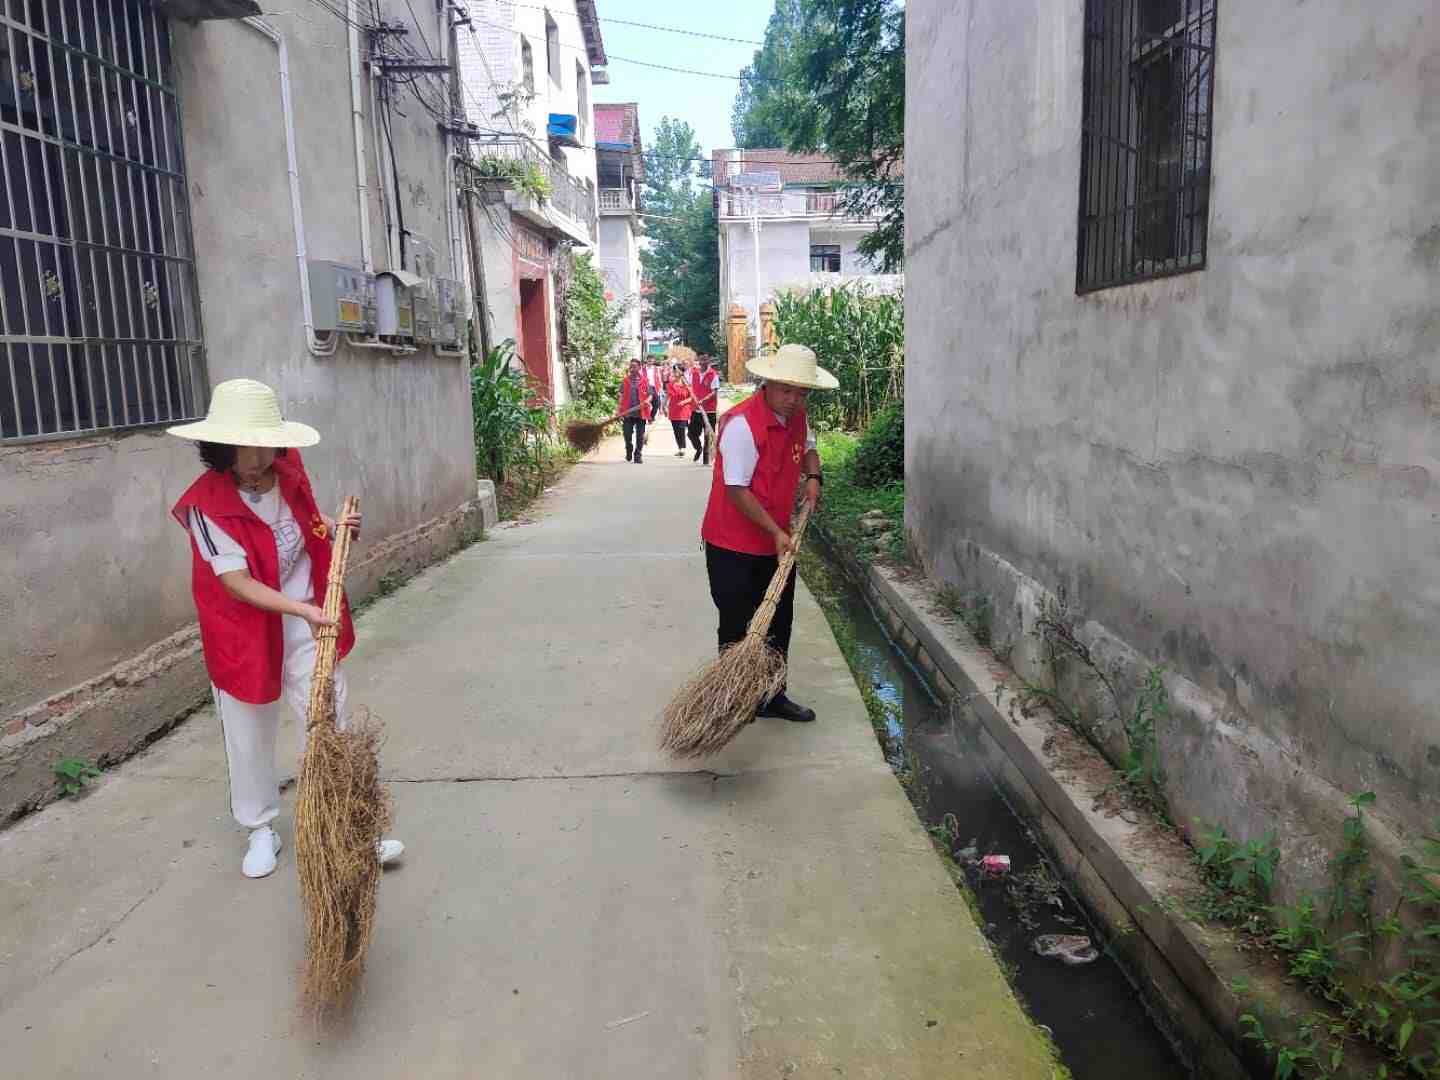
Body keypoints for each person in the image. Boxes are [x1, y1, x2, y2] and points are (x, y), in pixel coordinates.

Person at [167, 379, 405, 879]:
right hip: (243, 629)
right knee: (248, 731)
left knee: (328, 716)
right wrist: (300, 610)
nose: (259, 459)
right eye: (246, 447)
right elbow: (236, 582)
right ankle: (260, 829)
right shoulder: (205, 505)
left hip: (306, 618)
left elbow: (305, 523)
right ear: (221, 447)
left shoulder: (289, 470)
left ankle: (348, 828)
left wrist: (335, 529)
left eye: (265, 445)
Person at [700, 344, 837, 723]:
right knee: (737, 622)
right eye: (786, 390)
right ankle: (733, 700)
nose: (794, 400)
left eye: (802, 392)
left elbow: (809, 447)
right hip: (732, 544)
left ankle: (772, 696)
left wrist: (813, 476)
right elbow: (736, 490)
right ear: (768, 384)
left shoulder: (797, 416)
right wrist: (776, 531)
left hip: (777, 541)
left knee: (779, 621)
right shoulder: (742, 425)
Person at [617, 357, 653, 463]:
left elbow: (650, 395)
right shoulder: (625, 380)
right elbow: (621, 395)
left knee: (640, 436)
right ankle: (629, 449)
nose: (632, 369)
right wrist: (618, 409)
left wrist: (647, 401)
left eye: (634, 367)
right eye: (631, 366)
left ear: (639, 368)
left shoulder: (645, 380)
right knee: (627, 434)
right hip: (627, 412)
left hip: (641, 413)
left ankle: (638, 454)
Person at [688, 356, 721, 464]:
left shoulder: (713, 375)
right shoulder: (694, 373)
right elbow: (688, 385)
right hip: (696, 410)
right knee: (691, 434)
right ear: (699, 362)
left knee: (708, 436)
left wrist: (704, 400)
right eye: (701, 361)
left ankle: (706, 460)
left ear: (709, 362)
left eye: (706, 361)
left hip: (709, 411)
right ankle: (698, 448)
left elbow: (714, 392)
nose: (703, 363)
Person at [667, 362, 694, 456]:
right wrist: (663, 406)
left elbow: (692, 397)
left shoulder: (687, 384)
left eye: (676, 371)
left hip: (684, 410)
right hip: (673, 409)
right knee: (676, 430)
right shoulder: (671, 384)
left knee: (681, 429)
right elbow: (668, 396)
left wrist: (684, 402)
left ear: (682, 372)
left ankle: (682, 448)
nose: (674, 373)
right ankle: (680, 447)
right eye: (674, 371)